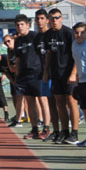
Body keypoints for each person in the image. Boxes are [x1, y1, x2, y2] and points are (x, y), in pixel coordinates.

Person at [45, 8, 78, 144]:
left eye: (57, 17)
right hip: (56, 74)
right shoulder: (48, 35)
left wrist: (73, 73)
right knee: (60, 104)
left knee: (71, 102)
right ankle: (64, 132)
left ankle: (74, 133)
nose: (55, 20)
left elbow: (76, 55)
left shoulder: (69, 33)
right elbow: (48, 54)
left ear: (62, 18)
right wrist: (45, 72)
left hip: (68, 73)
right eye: (52, 18)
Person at [11, 14, 44, 139]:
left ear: (28, 25)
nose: (20, 27)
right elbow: (18, 59)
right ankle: (34, 129)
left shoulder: (35, 36)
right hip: (24, 75)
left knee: (42, 100)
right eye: (17, 25)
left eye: (22, 24)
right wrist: (18, 75)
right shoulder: (18, 41)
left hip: (37, 73)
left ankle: (46, 128)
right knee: (30, 103)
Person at [33, 9, 54, 141]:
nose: (39, 21)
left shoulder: (52, 35)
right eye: (37, 19)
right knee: (44, 99)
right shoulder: (36, 38)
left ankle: (58, 129)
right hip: (42, 73)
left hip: (54, 73)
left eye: (42, 18)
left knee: (58, 102)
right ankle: (47, 128)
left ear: (47, 20)